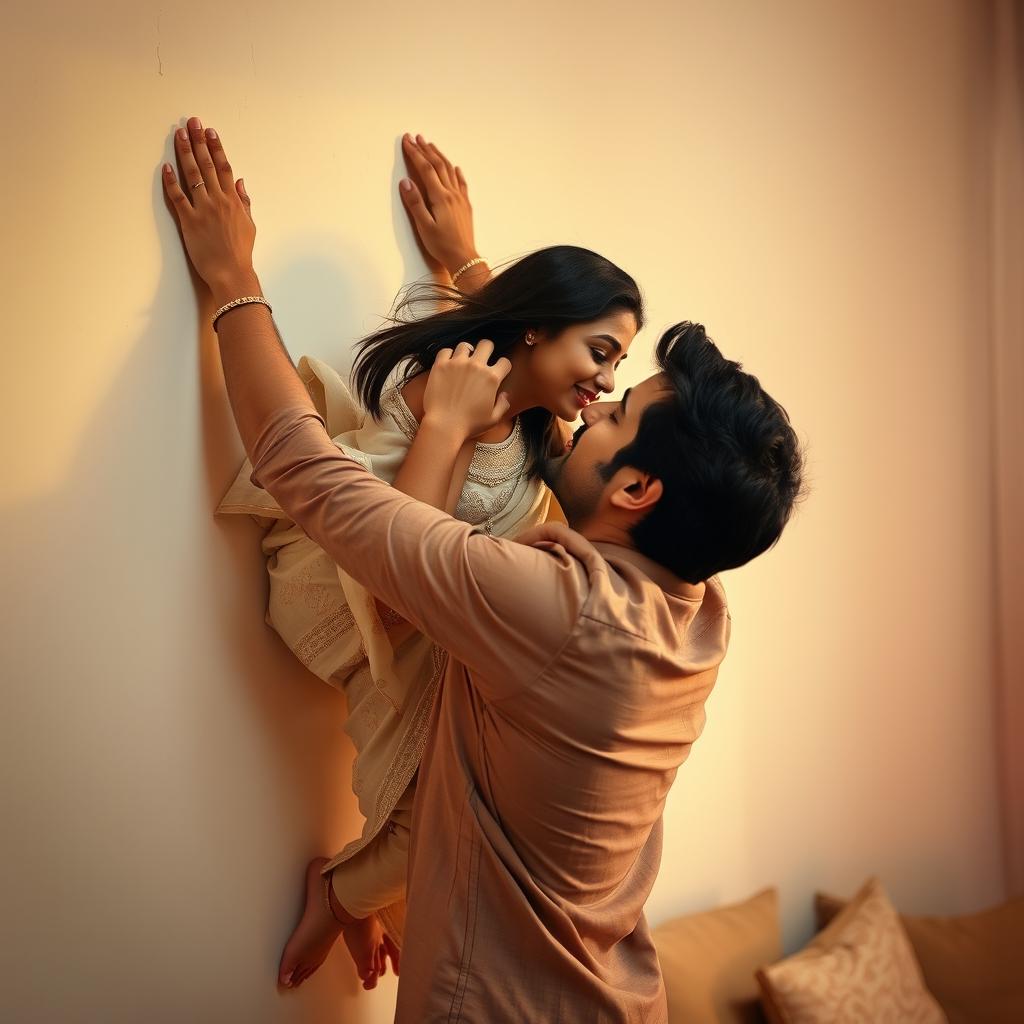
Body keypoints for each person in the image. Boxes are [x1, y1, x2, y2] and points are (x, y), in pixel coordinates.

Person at [162, 116, 808, 1021]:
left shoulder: (550, 608)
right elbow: (540, 382)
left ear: (637, 491)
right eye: (606, 378)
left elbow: (307, 472)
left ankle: (345, 891)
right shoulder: (696, 610)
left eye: (616, 418)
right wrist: (475, 272)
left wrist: (231, 281)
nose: (594, 410)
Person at [213, 135, 641, 989]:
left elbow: (534, 350)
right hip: (359, 610)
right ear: (536, 327)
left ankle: (352, 895)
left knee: (461, 826)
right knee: (437, 822)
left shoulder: (537, 425)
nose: (606, 382)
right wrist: (445, 427)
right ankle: (343, 896)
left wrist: (465, 255)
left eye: (620, 363)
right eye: (602, 353)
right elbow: (394, 561)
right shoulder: (452, 392)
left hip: (429, 619)